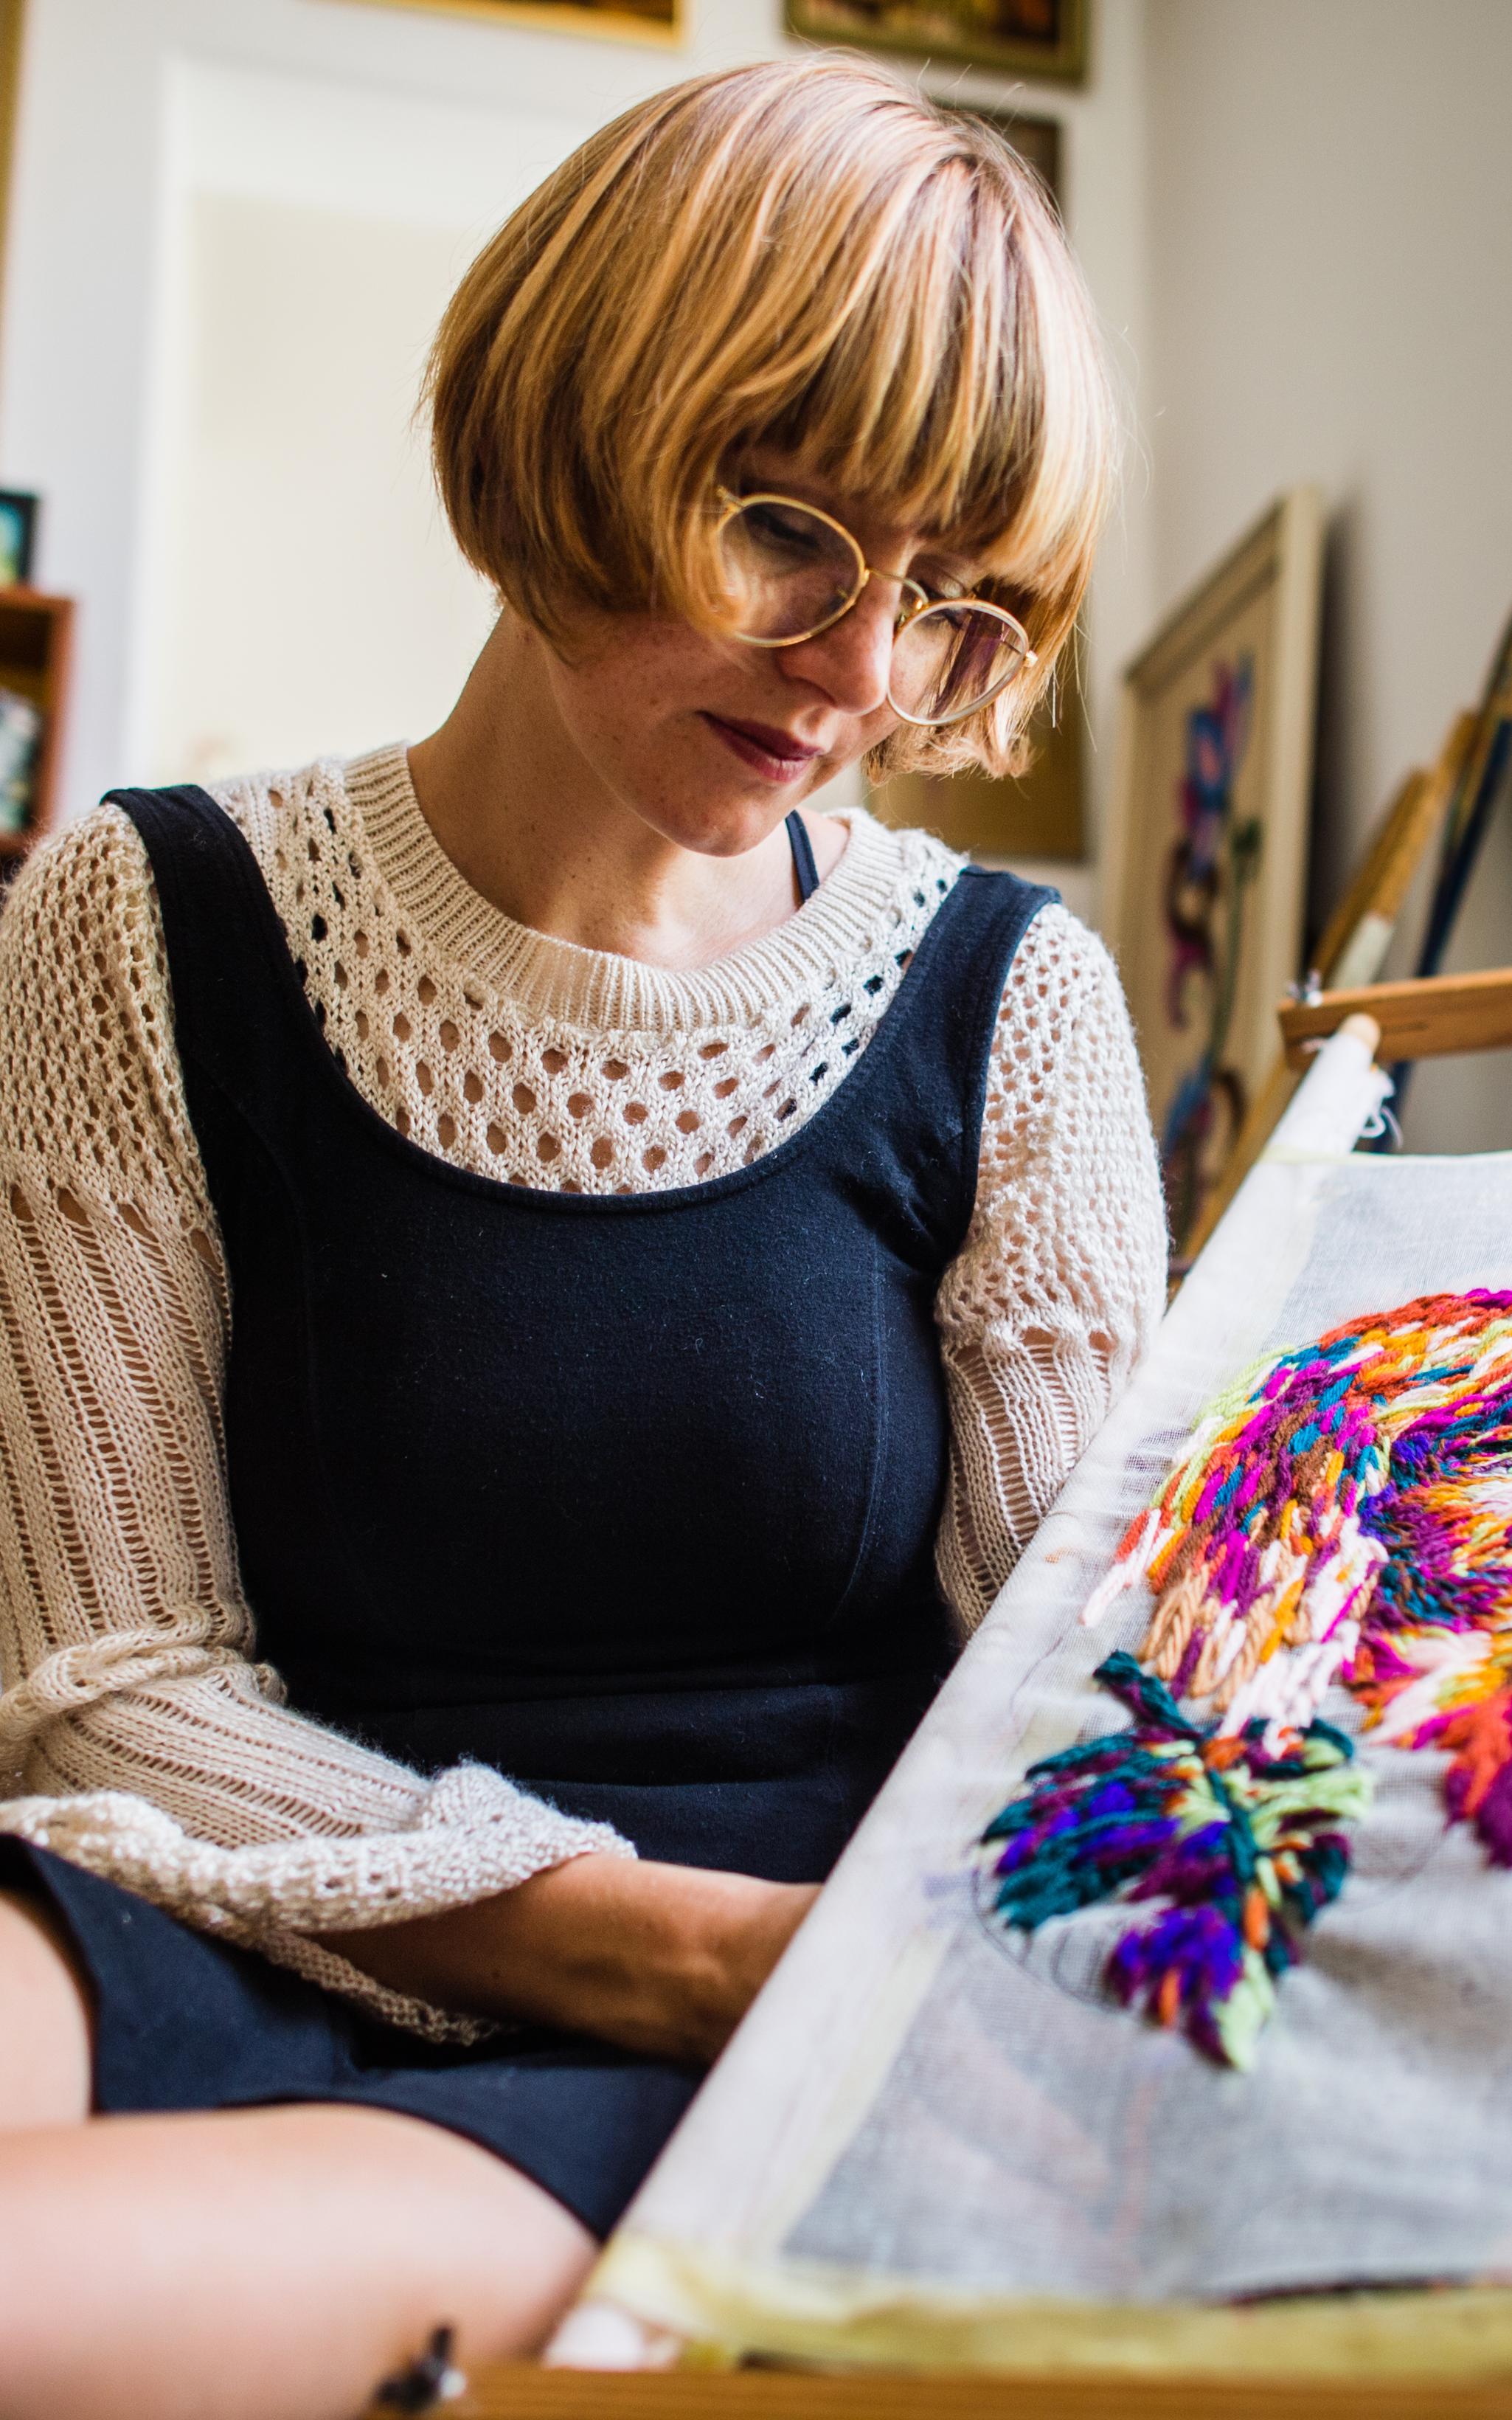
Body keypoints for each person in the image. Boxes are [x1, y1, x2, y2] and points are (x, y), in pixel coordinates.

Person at [0, 55, 1165, 2420]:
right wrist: (654, 1946)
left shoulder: (1005, 999)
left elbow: (1063, 1709)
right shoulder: (136, 914)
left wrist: (771, 1983)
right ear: (579, 414)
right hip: (231, 1882)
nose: (854, 680)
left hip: (757, 2002)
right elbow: (114, 1684)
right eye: (785, 529)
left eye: (950, 605)